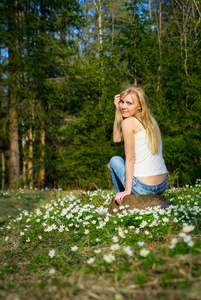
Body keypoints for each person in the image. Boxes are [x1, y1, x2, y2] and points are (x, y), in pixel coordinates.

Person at [109, 85, 168, 205]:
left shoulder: (128, 122)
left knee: (115, 160)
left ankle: (124, 202)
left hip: (144, 187)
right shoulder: (151, 121)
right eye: (122, 102)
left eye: (129, 103)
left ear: (140, 106)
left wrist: (127, 190)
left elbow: (130, 159)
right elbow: (116, 139)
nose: (124, 106)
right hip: (162, 184)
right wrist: (117, 110)